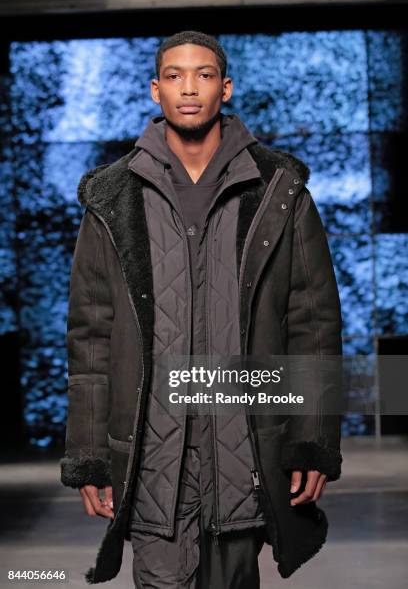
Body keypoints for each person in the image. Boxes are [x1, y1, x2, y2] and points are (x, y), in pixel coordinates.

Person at [60, 30, 343, 588]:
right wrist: (91, 454)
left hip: (242, 449)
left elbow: (313, 321)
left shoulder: (278, 190)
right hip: (150, 456)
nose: (189, 88)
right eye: (174, 76)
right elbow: (91, 337)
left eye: (204, 75)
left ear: (226, 88)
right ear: (155, 91)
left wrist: (312, 439)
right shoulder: (112, 199)